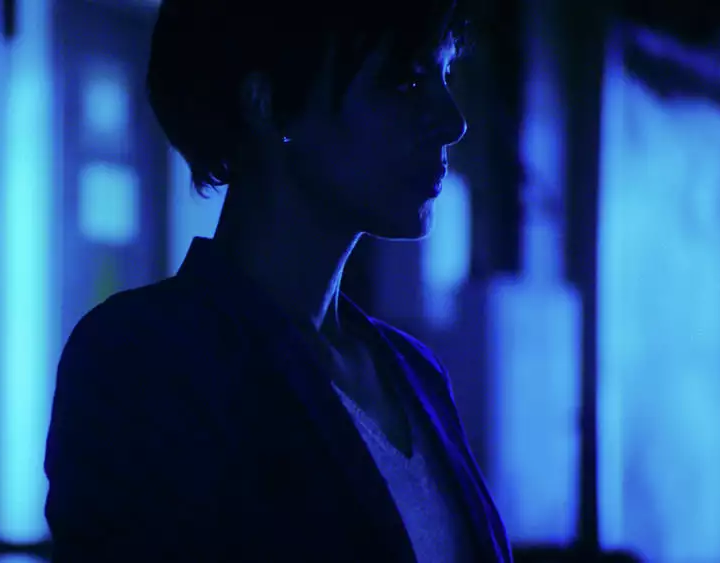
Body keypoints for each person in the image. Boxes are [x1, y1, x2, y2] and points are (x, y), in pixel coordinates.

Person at [44, 0, 511, 560]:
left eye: (444, 74)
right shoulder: (145, 359)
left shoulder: (414, 372)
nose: (453, 121)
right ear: (268, 105)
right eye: (406, 81)